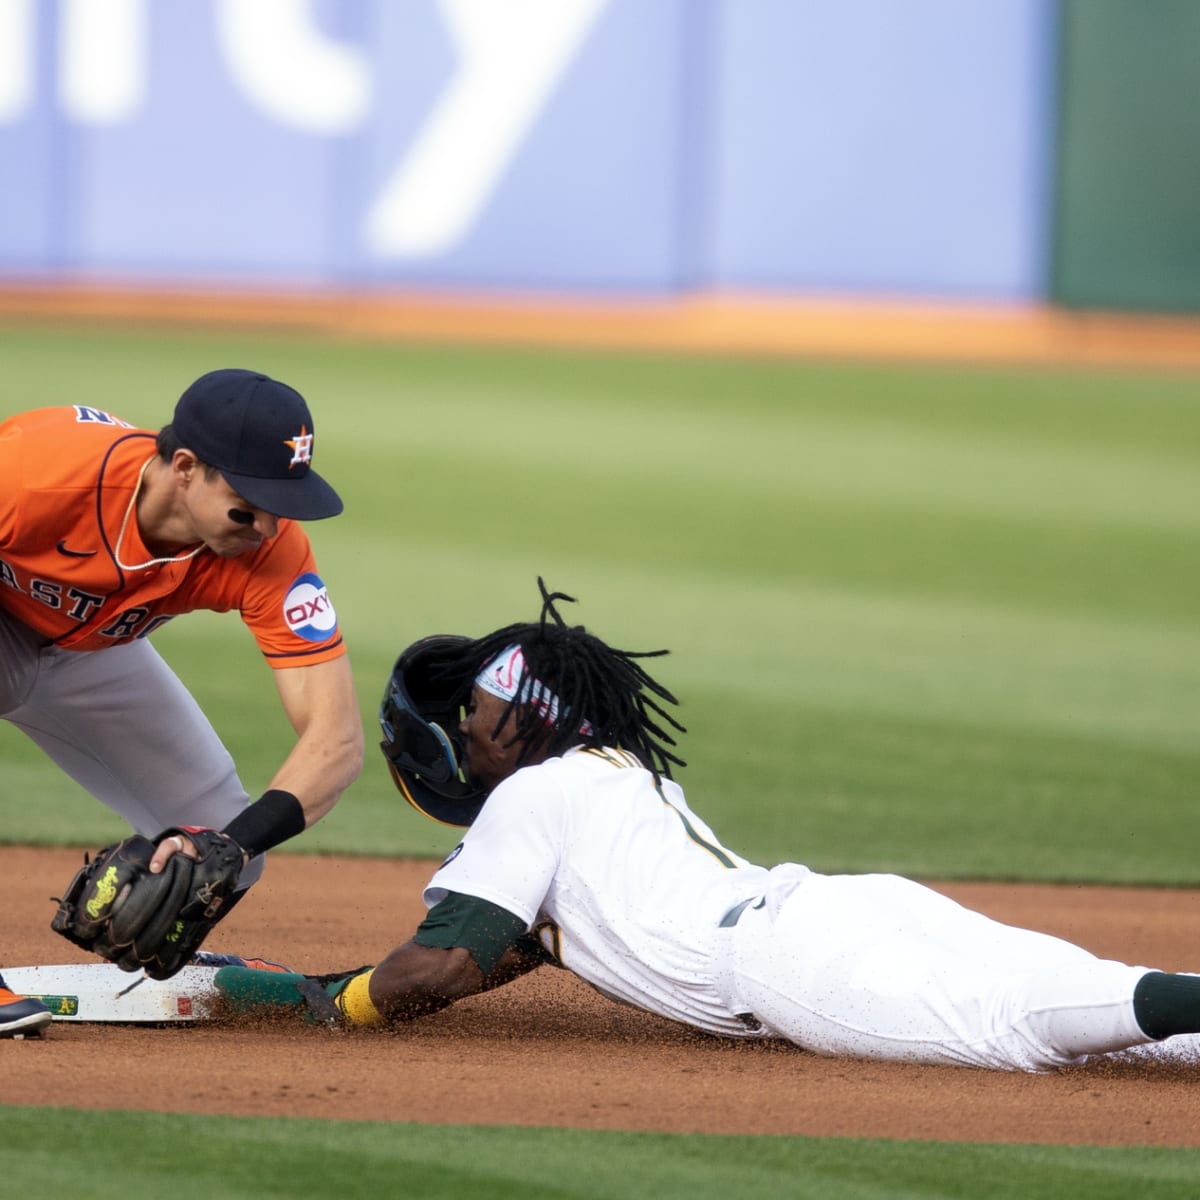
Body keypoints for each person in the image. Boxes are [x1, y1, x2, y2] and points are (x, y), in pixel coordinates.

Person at [216, 579, 1200, 1072]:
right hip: (842, 904)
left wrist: (331, 1009)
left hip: (789, 963)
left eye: (475, 715)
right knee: (1104, 1002)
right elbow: (518, 947)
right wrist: (306, 985)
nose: (465, 736)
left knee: (1014, 1024)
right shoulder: (621, 776)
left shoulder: (531, 797)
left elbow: (442, 965)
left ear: (527, 719)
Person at [0, 368, 364, 1037]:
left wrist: (227, 845)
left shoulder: (270, 549)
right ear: (186, 468)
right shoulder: (35, 471)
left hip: (91, 653)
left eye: (281, 502)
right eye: (248, 501)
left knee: (232, 841)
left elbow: (336, 740)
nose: (266, 524)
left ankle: (152, 963)